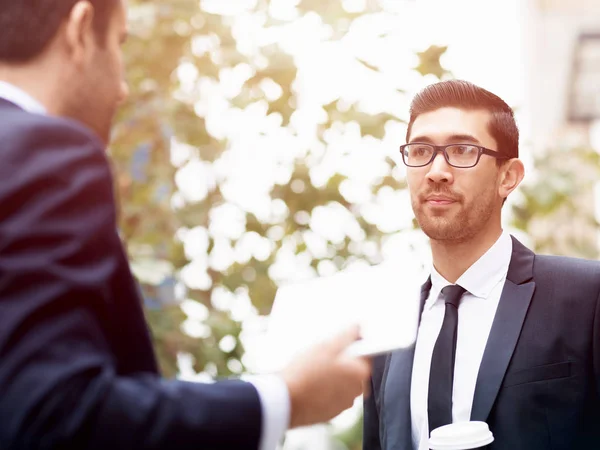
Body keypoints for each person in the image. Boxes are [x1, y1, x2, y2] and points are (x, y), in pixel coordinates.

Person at [0, 1, 371, 449]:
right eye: (118, 46)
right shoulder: (44, 151)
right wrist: (285, 398)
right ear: (80, 31)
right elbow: (52, 415)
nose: (121, 88)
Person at [360, 80, 600, 449]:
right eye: (421, 150)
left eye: (461, 150)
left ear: (508, 176)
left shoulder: (587, 297)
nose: (436, 171)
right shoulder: (387, 323)